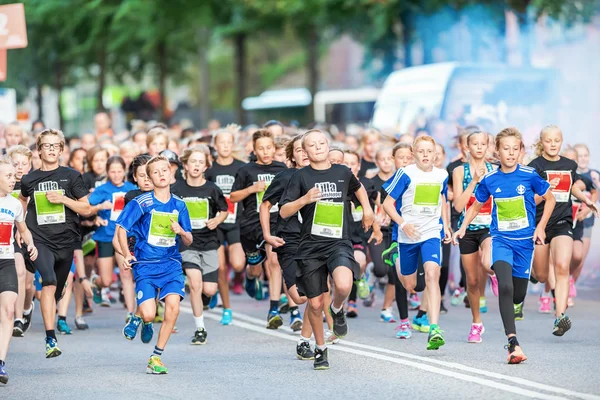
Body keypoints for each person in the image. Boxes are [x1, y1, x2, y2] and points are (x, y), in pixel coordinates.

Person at [453, 127, 556, 364]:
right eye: (505, 149)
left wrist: (540, 227)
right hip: (500, 240)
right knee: (506, 288)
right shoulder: (490, 179)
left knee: (518, 294)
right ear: (497, 152)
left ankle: (509, 280)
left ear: (521, 152)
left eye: (515, 149)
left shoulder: (529, 175)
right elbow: (476, 206)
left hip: (524, 244)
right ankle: (513, 343)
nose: (510, 153)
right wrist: (462, 227)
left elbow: (550, 199)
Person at [280, 129, 374, 370]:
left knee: (343, 284)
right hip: (310, 246)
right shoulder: (300, 177)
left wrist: (367, 209)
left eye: (322, 142)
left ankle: (337, 308)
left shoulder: (342, 171)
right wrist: (304, 200)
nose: (319, 147)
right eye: (313, 145)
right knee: (313, 304)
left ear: (328, 145)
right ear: (306, 151)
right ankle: (321, 349)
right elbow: (284, 211)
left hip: (337, 242)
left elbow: (359, 188)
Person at [19, 129, 93, 358]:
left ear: (61, 150)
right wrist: (21, 228)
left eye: (55, 146)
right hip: (40, 239)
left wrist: (62, 198)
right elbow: (21, 200)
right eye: (46, 146)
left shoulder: (71, 176)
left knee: (58, 289)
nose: (50, 149)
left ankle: (54, 299)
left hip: (67, 240)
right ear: (39, 150)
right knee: (48, 282)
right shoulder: (29, 179)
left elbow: (86, 208)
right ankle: (50, 338)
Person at [116, 155, 193, 374]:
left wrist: (181, 231)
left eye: (164, 170)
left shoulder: (179, 204)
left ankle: (156, 356)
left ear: (171, 174)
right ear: (149, 178)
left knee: (173, 308)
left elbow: (189, 239)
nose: (161, 175)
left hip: (170, 264)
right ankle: (141, 319)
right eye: (155, 172)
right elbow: (121, 228)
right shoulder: (141, 203)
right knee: (149, 314)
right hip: (146, 265)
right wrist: (125, 254)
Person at [383, 135, 451, 351]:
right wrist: (403, 224)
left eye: (429, 151)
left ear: (435, 155)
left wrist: (446, 226)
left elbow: (443, 200)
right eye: (420, 151)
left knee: (433, 274)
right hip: (408, 235)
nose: (425, 155)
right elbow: (387, 203)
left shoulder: (442, 174)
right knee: (411, 285)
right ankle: (395, 257)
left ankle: (434, 328)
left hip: (431, 232)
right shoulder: (405, 173)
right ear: (413, 154)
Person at [528, 125, 597, 335]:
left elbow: (571, 187)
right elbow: (532, 199)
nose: (553, 144)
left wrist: (586, 200)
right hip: (541, 224)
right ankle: (532, 272)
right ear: (542, 142)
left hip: (563, 222)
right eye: (548, 141)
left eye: (556, 140)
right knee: (541, 275)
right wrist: (547, 188)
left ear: (561, 141)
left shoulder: (569, 164)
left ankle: (560, 317)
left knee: (561, 266)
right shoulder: (535, 165)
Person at [261, 134, 313, 357]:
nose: (304, 154)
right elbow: (265, 205)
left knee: (316, 294)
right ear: (292, 156)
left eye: (307, 149)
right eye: (299, 150)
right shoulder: (284, 177)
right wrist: (267, 235)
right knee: (300, 297)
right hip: (289, 241)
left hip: (316, 241)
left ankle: (305, 340)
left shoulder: (325, 176)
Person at [172, 146, 229, 345]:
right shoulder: (177, 189)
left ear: (206, 166)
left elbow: (224, 209)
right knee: (195, 283)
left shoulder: (212, 188)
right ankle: (200, 329)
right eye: (192, 162)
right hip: (187, 243)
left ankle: (204, 299)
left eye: (200, 162)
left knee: (210, 290)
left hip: (209, 242)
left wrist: (217, 221)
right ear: (185, 165)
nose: (196, 165)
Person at [230, 129, 287, 322]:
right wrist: (252, 189)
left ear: (274, 148)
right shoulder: (246, 171)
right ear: (254, 150)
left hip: (274, 223)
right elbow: (233, 197)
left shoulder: (282, 169)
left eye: (269, 147)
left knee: (274, 260)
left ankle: (273, 308)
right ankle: (250, 276)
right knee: (255, 267)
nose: (265, 152)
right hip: (251, 225)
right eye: (261, 148)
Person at [451, 130, 496, 343]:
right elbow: (458, 206)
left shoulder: (495, 170)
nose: (479, 147)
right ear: (467, 148)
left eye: (483, 144)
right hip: (467, 228)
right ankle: (476, 323)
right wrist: (474, 181)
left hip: (490, 227)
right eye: (475, 144)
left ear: (488, 147)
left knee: (487, 263)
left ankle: (494, 273)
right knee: (472, 279)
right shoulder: (460, 171)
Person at [0, 156, 39, 384]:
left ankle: (1, 362)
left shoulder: (14, 204)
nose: (13, 180)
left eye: (14, 176)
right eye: (8, 176)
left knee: (7, 311)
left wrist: (30, 244)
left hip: (5, 262)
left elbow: (23, 230)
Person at [205, 127, 247, 325]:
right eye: (221, 143)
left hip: (236, 221)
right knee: (221, 268)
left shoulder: (241, 167)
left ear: (233, 145)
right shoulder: (210, 169)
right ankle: (226, 308)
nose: (225, 146)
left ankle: (232, 282)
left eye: (228, 143)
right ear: (215, 145)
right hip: (216, 224)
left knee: (238, 264)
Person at [88, 156, 137, 318]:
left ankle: (131, 313)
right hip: (106, 236)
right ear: (107, 172)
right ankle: (97, 282)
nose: (116, 175)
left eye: (119, 171)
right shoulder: (102, 190)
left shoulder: (132, 189)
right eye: (112, 172)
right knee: (107, 281)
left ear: (125, 171)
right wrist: (97, 213)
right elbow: (86, 207)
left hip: (125, 237)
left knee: (126, 274)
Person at [343, 150, 381, 318]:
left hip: (360, 234)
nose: (349, 167)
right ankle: (338, 305)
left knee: (358, 263)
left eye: (353, 163)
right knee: (340, 272)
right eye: (346, 164)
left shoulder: (366, 183)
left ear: (358, 166)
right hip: (339, 234)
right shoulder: (336, 183)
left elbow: (380, 200)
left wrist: (380, 220)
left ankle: (359, 284)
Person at [7, 146, 33, 337]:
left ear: (30, 165)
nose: (19, 168)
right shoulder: (6, 184)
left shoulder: (34, 183)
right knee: (19, 273)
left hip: (33, 235)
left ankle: (27, 307)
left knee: (28, 285)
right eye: (16, 163)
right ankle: (17, 320)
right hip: (12, 236)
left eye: (24, 164)